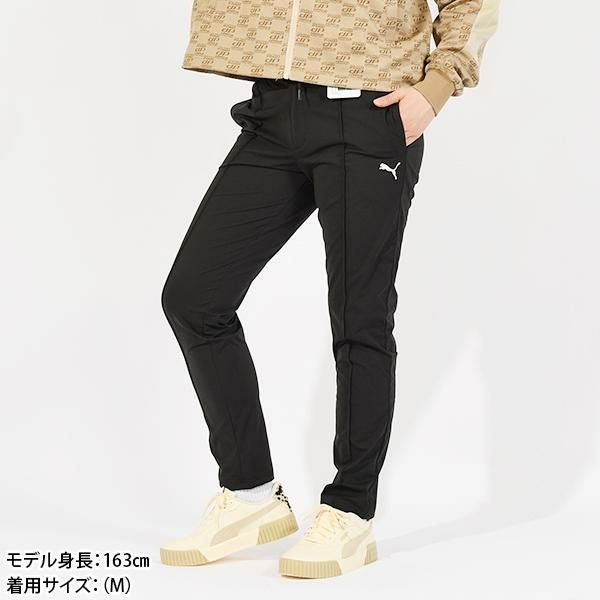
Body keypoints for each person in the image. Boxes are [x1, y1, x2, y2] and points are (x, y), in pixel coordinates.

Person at [159, 0, 499, 579]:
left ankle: (350, 510)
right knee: (194, 298)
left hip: (370, 112)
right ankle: (250, 494)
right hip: (274, 111)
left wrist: (436, 88)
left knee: (359, 315)